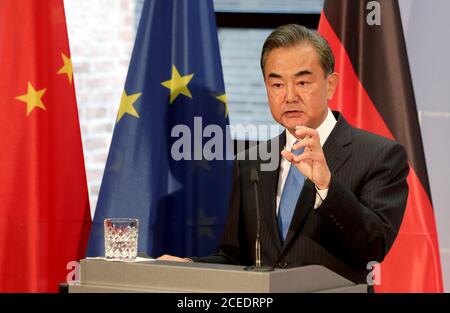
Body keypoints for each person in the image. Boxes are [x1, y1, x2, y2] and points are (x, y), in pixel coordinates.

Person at [158, 24, 409, 284]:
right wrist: (190, 267)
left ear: (330, 85)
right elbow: (238, 257)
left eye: (302, 82)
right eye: (277, 84)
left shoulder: (380, 156)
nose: (289, 96)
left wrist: (326, 186)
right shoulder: (252, 160)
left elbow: (374, 247)